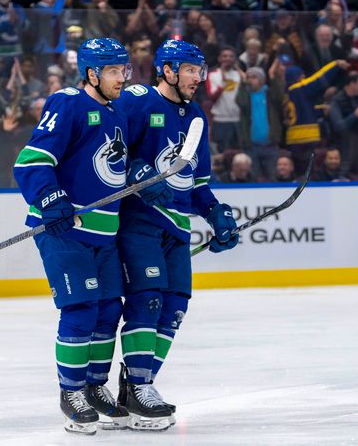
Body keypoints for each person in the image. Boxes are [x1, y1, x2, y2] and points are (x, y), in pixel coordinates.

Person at [13, 38, 166, 434]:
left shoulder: (115, 112)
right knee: (81, 309)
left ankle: (96, 386)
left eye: (124, 70)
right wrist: (50, 197)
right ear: (92, 73)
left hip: (104, 234)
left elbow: (117, 159)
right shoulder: (67, 103)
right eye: (115, 71)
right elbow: (31, 161)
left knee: (108, 311)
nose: (122, 78)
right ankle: (72, 392)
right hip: (65, 229)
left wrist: (137, 173)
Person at [112, 39, 240, 430]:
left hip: (177, 227)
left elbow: (197, 184)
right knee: (147, 301)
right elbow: (109, 149)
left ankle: (139, 384)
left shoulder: (196, 115)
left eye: (200, 71)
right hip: (140, 221)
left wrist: (216, 213)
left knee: (175, 309)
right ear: (167, 70)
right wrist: (134, 172)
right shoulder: (137, 100)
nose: (198, 78)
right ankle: (137, 386)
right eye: (190, 70)